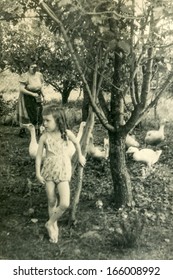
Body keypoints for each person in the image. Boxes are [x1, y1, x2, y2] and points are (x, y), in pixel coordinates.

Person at [35, 104, 86, 243]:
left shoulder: (67, 134)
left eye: (47, 120)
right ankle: (54, 227)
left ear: (58, 120)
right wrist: (38, 173)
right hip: (49, 170)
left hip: (63, 169)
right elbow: (39, 156)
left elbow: (77, 143)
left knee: (64, 203)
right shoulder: (44, 137)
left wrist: (80, 156)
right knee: (51, 200)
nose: (44, 123)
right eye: (43, 120)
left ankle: (50, 222)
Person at [17, 63, 44, 137]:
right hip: (27, 96)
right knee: (28, 112)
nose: (34, 68)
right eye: (32, 67)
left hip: (37, 96)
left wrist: (43, 95)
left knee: (38, 111)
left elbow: (41, 86)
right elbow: (21, 89)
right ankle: (23, 130)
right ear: (28, 67)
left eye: (35, 67)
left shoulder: (39, 75)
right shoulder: (25, 76)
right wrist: (32, 94)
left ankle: (37, 129)